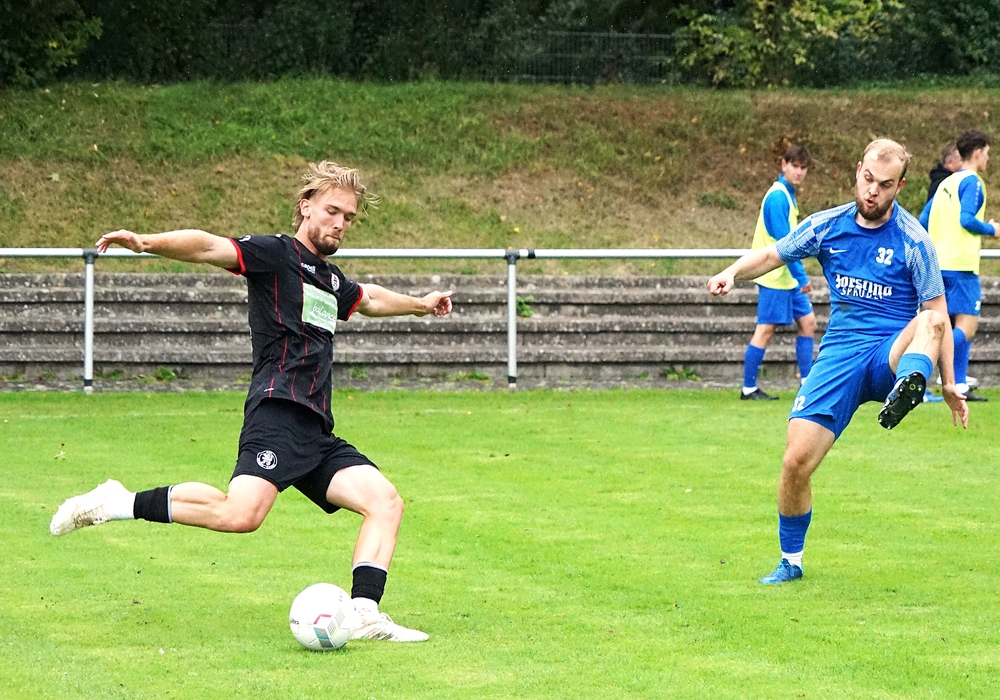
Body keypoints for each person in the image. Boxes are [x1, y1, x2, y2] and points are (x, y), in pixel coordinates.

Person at [49, 161, 453, 641]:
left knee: (385, 501)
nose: (340, 223)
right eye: (332, 211)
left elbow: (368, 300)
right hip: (277, 411)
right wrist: (145, 242)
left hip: (315, 428)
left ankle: (364, 613)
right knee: (240, 515)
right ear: (306, 207)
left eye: (349, 217)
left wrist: (421, 304)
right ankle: (117, 502)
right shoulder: (276, 255)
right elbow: (208, 246)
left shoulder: (330, 279)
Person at [708, 139, 968, 585]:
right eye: (868, 179)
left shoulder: (914, 240)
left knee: (930, 317)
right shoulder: (827, 226)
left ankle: (909, 386)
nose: (873, 191)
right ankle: (791, 561)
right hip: (840, 357)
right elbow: (772, 254)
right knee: (795, 462)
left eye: (885, 185)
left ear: (900, 186)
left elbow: (938, 317)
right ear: (858, 170)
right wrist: (731, 272)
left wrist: (948, 383)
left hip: (891, 353)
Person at [920, 129, 999, 403]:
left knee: (945, 324)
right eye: (987, 153)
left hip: (939, 265)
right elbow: (967, 219)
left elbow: (923, 219)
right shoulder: (973, 182)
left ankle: (959, 384)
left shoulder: (946, 183)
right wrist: (992, 229)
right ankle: (919, 362)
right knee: (966, 328)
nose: (988, 158)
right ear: (977, 152)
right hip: (962, 266)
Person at [741, 143, 817, 400]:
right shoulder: (777, 196)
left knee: (808, 322)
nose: (799, 172)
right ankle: (748, 388)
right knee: (765, 330)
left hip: (785, 277)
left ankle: (806, 384)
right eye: (795, 166)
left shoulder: (787, 194)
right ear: (784, 165)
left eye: (803, 168)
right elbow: (786, 244)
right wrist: (801, 277)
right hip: (773, 276)